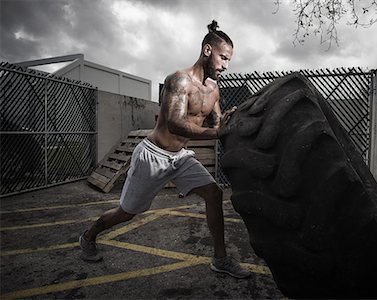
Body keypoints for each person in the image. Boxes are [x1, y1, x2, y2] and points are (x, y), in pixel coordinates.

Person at [79, 20, 250, 279]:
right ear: (207, 51)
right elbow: (175, 123)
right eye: (223, 58)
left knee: (214, 194)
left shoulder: (213, 89)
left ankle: (220, 259)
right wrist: (216, 132)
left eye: (229, 61)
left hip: (179, 158)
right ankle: (88, 237)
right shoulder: (179, 81)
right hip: (153, 156)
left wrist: (230, 119)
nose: (226, 66)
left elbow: (216, 122)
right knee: (127, 213)